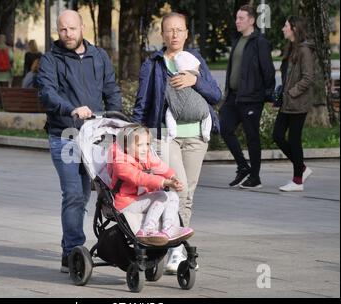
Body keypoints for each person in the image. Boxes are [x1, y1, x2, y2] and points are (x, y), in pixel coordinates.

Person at [132, 12, 221, 274]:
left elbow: (216, 95)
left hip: (196, 136)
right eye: (169, 30)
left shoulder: (195, 60)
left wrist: (196, 81)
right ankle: (168, 244)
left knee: (188, 194)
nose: (174, 35)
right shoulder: (153, 64)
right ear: (162, 34)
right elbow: (143, 102)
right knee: (178, 188)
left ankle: (175, 247)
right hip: (165, 135)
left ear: (186, 34)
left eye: (179, 30)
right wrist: (133, 134)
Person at [38, 10, 121, 273]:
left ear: (82, 27)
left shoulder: (99, 56)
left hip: (95, 135)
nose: (68, 34)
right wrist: (71, 108)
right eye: (63, 30)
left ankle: (108, 244)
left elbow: (111, 89)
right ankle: (72, 250)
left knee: (95, 194)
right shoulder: (51, 59)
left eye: (72, 29)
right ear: (57, 31)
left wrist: (116, 123)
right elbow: (47, 93)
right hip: (65, 135)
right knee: (74, 194)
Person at [219, 4, 276, 189]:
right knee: (224, 128)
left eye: (241, 18)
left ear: (251, 20)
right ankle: (243, 166)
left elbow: (268, 71)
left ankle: (255, 177)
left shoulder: (259, 41)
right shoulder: (238, 40)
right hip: (234, 97)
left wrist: (267, 95)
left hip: (252, 98)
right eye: (237, 18)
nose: (237, 21)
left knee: (252, 137)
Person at [108, 125, 194, 246]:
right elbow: (139, 178)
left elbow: (161, 167)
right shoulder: (120, 163)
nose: (145, 149)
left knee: (172, 196)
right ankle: (147, 230)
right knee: (161, 195)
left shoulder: (146, 157)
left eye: (147, 144)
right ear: (126, 147)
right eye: (140, 145)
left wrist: (172, 178)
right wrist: (164, 182)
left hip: (141, 198)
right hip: (126, 203)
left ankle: (169, 227)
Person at [273, 16, 315, 192]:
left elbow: (308, 78)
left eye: (286, 26)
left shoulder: (304, 50)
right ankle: (302, 168)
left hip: (298, 103)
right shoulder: (292, 48)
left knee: (294, 140)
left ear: (294, 29)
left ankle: (298, 180)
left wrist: (291, 93)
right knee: (277, 135)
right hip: (288, 102)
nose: (283, 29)